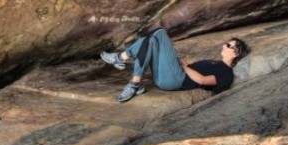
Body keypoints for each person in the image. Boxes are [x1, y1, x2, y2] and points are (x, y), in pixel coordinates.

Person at [100, 28, 250, 102]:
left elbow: (203, 81)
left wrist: (185, 67)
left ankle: (122, 63)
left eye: (228, 45)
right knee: (150, 41)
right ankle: (133, 80)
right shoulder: (215, 62)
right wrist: (184, 63)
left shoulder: (227, 73)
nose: (224, 46)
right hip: (169, 75)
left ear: (236, 53)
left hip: (176, 79)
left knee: (160, 32)